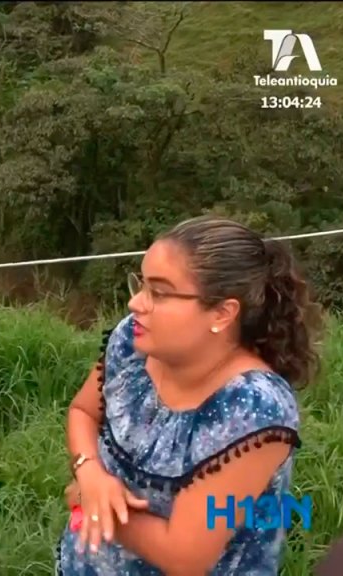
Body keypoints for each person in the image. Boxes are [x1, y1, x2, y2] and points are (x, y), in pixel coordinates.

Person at [55, 216, 323, 576]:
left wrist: (83, 500)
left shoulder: (253, 408)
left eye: (159, 293)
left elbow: (184, 557)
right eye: (141, 284)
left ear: (222, 313)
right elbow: (83, 412)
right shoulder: (132, 341)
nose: (136, 303)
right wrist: (90, 473)